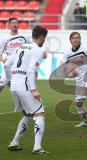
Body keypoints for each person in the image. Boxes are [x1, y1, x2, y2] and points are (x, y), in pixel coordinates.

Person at [4, 26, 49, 154]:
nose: (44, 41)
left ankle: (14, 142)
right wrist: (34, 89)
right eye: (44, 38)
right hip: (25, 87)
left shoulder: (20, 47)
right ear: (41, 37)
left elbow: (6, 64)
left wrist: (9, 80)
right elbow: (31, 70)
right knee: (40, 113)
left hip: (14, 87)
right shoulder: (37, 49)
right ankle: (37, 147)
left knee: (29, 114)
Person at [62, 32, 87, 128]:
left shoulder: (86, 50)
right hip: (79, 80)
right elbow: (64, 68)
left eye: (77, 37)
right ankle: (85, 121)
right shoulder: (67, 54)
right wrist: (71, 72)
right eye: (73, 38)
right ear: (70, 40)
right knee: (79, 103)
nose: (75, 39)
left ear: (80, 39)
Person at [0, 18, 29, 92]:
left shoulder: (24, 38)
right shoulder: (4, 39)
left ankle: (30, 103)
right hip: (9, 64)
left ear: (18, 25)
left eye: (16, 23)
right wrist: (3, 59)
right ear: (9, 25)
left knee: (26, 85)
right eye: (12, 23)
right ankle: (9, 82)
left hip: (21, 63)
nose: (14, 24)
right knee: (1, 84)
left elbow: (30, 50)